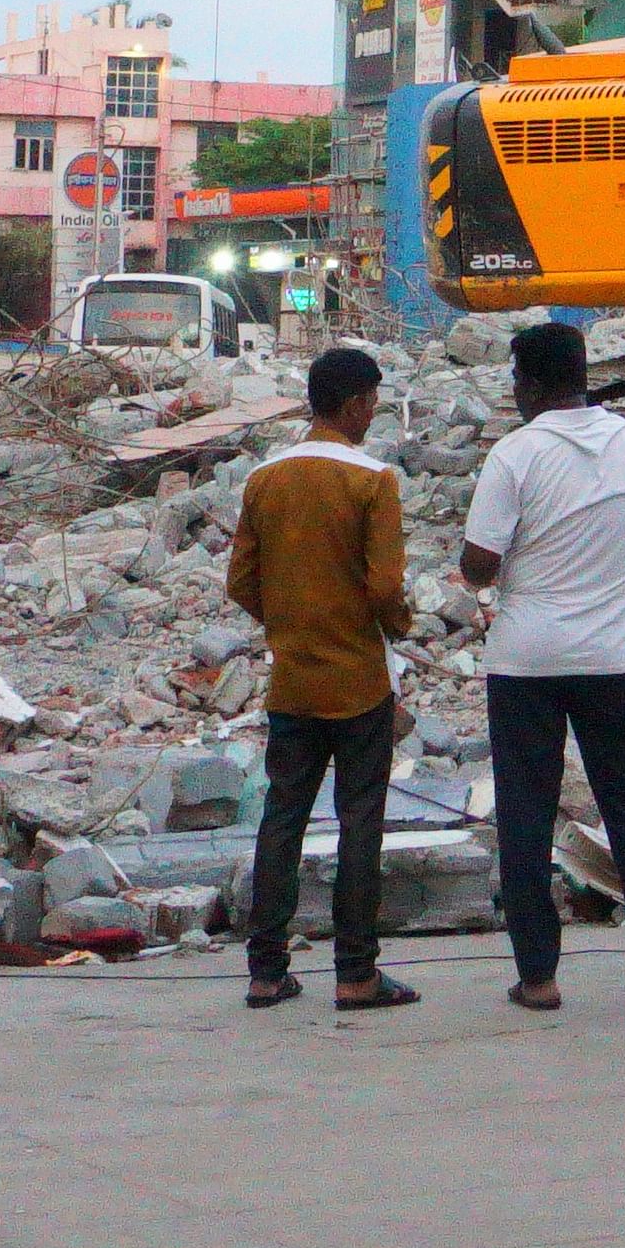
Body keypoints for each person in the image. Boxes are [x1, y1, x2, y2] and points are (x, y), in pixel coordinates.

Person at [454, 320, 625, 1015]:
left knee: (526, 816)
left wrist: (476, 567)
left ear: (526, 384)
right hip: (612, 659)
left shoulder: (515, 455)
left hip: (526, 660)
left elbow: (481, 564)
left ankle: (539, 978)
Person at [223, 346, 418, 1013]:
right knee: (360, 821)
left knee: (283, 817)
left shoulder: (265, 477)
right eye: (374, 400)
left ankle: (266, 969)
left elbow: (240, 581)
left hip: (293, 682)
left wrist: (289, 621)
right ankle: (356, 972)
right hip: (359, 680)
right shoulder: (373, 480)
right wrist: (402, 625)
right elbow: (387, 586)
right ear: (358, 403)